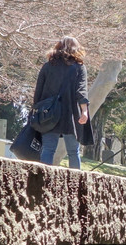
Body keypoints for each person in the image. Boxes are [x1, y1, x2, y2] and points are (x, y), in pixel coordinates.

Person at [33, 37, 90, 169]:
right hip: (70, 115)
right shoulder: (79, 67)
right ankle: (76, 180)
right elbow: (81, 91)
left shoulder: (48, 66)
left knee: (48, 149)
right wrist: (84, 111)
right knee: (73, 152)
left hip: (49, 113)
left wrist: (37, 111)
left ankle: (43, 178)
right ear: (76, 49)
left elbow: (38, 91)